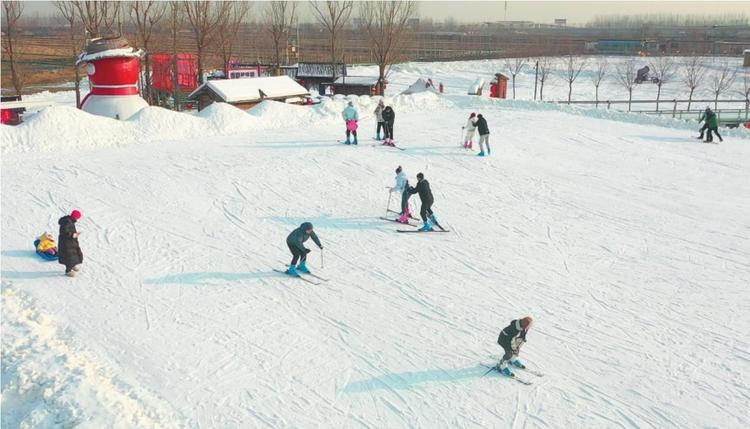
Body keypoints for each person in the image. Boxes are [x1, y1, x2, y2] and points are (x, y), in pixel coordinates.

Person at [58, 209, 83, 277]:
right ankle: (68, 271)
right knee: (68, 256)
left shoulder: (70, 221)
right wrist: (73, 235)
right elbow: (64, 232)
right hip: (66, 242)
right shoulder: (67, 222)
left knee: (73, 254)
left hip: (70, 241)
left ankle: (73, 265)